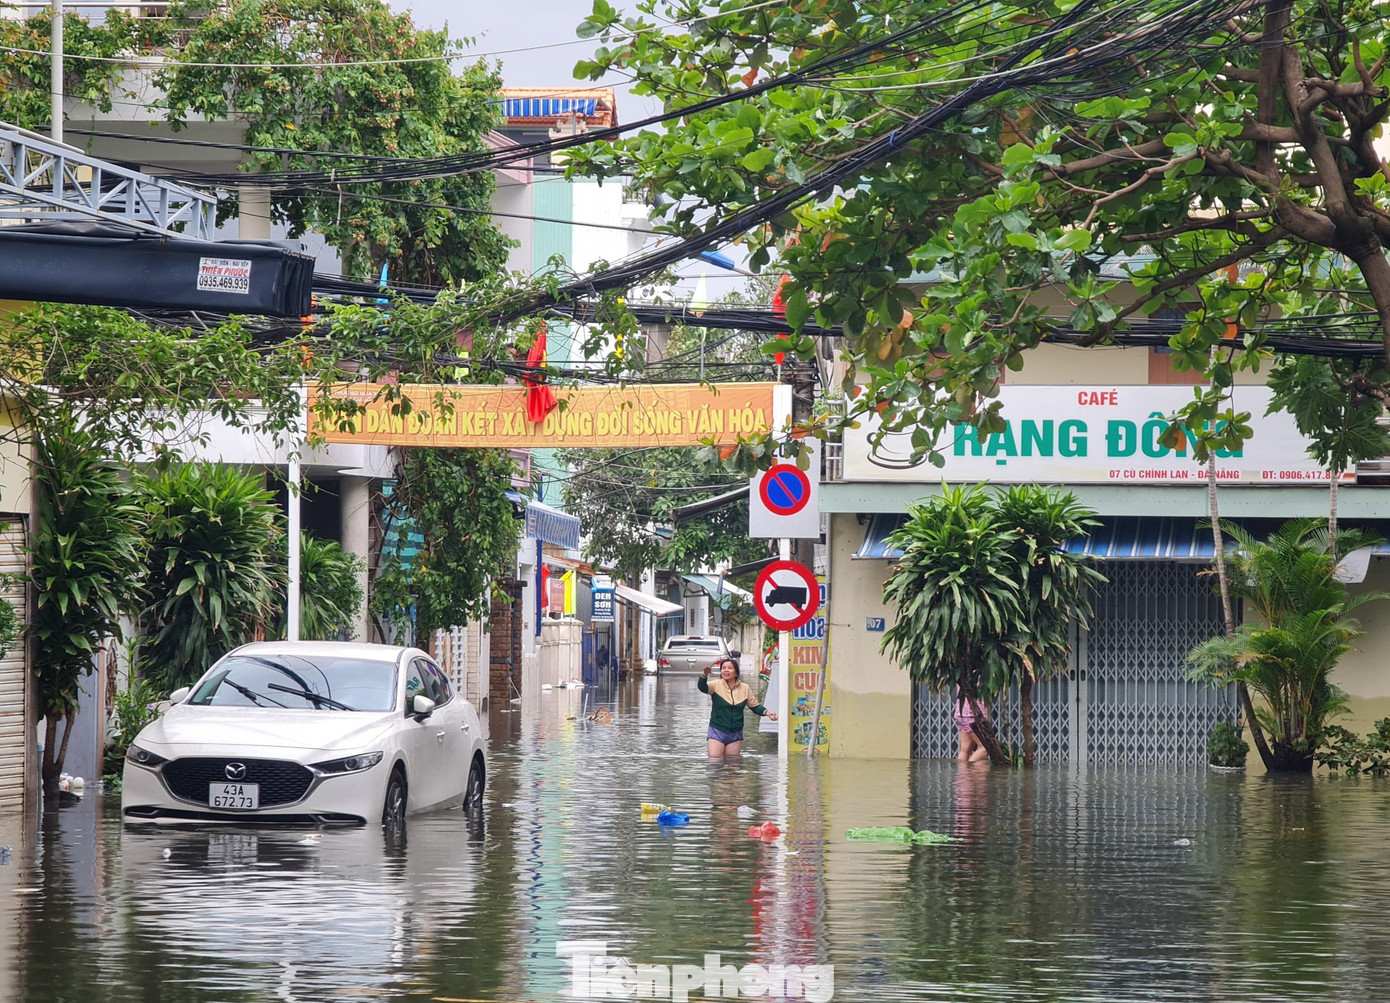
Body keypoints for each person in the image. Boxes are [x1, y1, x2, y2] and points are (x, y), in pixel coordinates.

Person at [699, 657, 777, 757]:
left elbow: (755, 706)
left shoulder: (745, 688)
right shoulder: (715, 685)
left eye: (729, 668)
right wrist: (704, 675)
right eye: (723, 668)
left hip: (735, 733)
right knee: (715, 761)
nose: (726, 670)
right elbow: (702, 687)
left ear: (736, 673)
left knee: (733, 762)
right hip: (717, 731)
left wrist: (767, 712)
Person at [954, 686, 990, 763]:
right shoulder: (980, 678)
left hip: (961, 712)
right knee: (986, 747)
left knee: (965, 750)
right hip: (975, 714)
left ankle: (963, 771)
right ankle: (971, 767)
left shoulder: (961, 677)